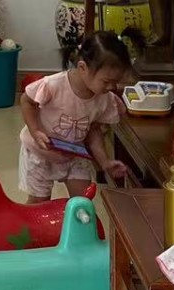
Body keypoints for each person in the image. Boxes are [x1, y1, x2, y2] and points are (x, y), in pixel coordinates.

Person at [18, 31, 132, 202]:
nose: (112, 87)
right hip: (40, 152)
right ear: (82, 68)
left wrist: (105, 162)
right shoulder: (54, 85)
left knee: (83, 201)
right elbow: (26, 100)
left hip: (73, 153)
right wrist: (35, 131)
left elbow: (94, 132)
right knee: (38, 205)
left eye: (116, 82)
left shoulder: (104, 98)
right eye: (106, 81)